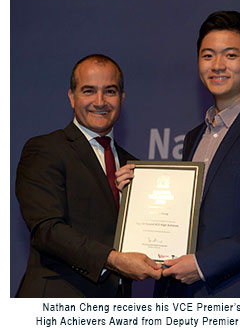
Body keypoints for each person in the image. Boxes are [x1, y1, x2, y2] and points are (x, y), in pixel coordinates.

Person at [120, 11, 240, 297]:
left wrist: (204, 264)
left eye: (231, 55)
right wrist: (137, 191)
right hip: (182, 294)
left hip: (239, 293)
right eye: (207, 56)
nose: (217, 65)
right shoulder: (195, 136)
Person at [15, 54, 161, 297]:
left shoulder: (132, 166)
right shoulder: (45, 149)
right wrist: (113, 260)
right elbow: (47, 230)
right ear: (72, 97)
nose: (100, 101)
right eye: (89, 91)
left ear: (122, 98)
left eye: (110, 91)